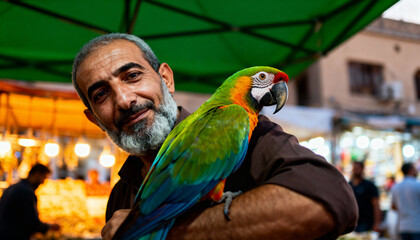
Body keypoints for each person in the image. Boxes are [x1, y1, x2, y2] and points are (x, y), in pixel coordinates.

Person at [71, 33, 358, 240]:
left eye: (132, 75)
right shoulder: (120, 194)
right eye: (101, 94)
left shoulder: (246, 126)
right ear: (94, 118)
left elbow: (332, 199)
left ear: (166, 79)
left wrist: (165, 230)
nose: (123, 99)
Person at [0, 163, 60, 239]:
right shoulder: (26, 192)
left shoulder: (12, 188)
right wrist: (49, 226)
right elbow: (32, 223)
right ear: (37, 174)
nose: (43, 182)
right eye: (44, 178)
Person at [349, 161, 382, 233]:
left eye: (358, 168)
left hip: (367, 222)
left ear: (362, 169)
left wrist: (376, 223)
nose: (356, 170)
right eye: (354, 168)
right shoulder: (348, 186)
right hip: (352, 223)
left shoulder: (369, 185)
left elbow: (376, 205)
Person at [391, 163, 420, 240]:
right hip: (417, 226)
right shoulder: (417, 185)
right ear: (410, 170)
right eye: (414, 169)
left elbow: (393, 207)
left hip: (403, 227)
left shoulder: (396, 187)